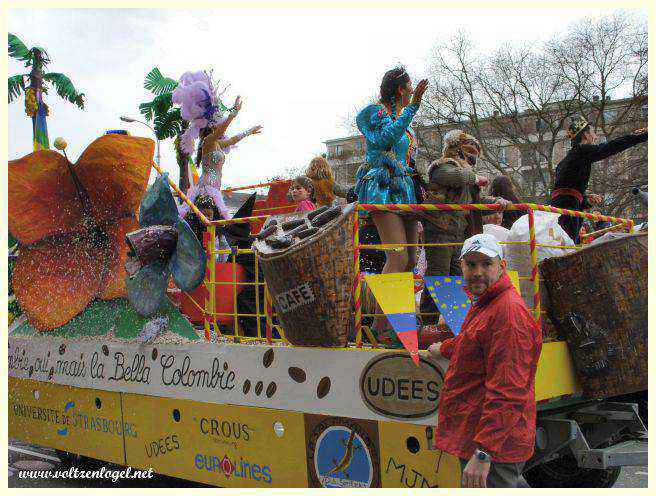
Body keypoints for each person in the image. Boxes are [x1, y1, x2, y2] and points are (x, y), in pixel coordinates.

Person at [428, 233, 542, 488]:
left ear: (501, 267)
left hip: (494, 445)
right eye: (471, 264)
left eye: (486, 264)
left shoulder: (507, 314)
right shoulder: (488, 303)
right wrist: (444, 348)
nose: (477, 272)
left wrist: (483, 452)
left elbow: (508, 391)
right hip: (481, 434)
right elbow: (473, 340)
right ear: (461, 267)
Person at [353, 66, 428, 342]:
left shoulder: (403, 119)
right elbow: (385, 138)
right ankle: (379, 328)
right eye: (410, 88)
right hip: (383, 187)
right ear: (400, 89)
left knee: (409, 260)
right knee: (396, 257)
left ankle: (400, 324)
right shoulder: (373, 113)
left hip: (404, 188)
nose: (413, 93)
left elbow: (406, 154)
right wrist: (414, 108)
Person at [418, 130, 510, 325]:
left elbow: (474, 201)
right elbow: (455, 177)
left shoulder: (466, 175)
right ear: (458, 150)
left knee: (457, 278)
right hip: (440, 231)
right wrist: (474, 177)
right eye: (470, 155)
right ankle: (427, 323)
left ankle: (456, 322)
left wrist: (495, 202)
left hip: (459, 234)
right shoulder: (443, 166)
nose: (473, 160)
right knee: (437, 277)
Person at [172, 70, 263, 220]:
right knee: (215, 222)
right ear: (212, 125)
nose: (220, 127)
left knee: (218, 224)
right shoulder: (208, 141)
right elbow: (222, 130)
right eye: (218, 124)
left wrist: (250, 131)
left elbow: (233, 139)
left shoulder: (218, 143)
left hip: (214, 188)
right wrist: (233, 114)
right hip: (206, 190)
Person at [551, 116, 647, 243]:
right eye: (593, 132)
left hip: (558, 210)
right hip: (569, 211)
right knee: (566, 245)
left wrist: (585, 199)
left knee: (562, 243)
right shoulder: (582, 151)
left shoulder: (565, 161)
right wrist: (639, 137)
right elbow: (611, 146)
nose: (595, 136)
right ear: (585, 135)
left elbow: (566, 191)